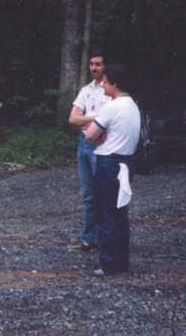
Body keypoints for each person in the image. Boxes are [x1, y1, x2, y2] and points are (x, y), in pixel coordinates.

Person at [84, 63, 141, 276]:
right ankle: (121, 261)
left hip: (109, 164)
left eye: (105, 82)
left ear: (114, 84)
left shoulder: (112, 106)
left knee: (106, 212)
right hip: (126, 162)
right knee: (120, 213)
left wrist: (97, 135)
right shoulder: (133, 106)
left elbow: (90, 134)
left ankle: (108, 263)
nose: (103, 85)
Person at [68, 50, 110, 251]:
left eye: (98, 64)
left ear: (105, 66)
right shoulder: (86, 90)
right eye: (92, 64)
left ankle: (105, 239)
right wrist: (96, 118)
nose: (94, 67)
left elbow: (110, 119)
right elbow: (72, 119)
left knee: (103, 191)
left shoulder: (111, 89)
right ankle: (89, 239)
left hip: (102, 143)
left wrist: (87, 119)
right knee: (88, 194)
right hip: (84, 143)